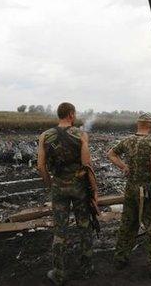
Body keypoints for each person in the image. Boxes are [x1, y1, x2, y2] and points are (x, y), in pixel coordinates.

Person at [37, 102, 98, 285]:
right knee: (84, 226)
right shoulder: (81, 135)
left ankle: (59, 272)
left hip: (58, 187)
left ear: (59, 115)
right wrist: (94, 191)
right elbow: (87, 166)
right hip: (79, 188)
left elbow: (40, 166)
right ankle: (87, 268)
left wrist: (50, 185)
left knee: (60, 230)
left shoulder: (45, 136)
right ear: (71, 114)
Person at [107, 113, 151, 279]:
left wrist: (124, 166)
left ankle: (120, 258)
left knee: (128, 223)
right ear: (149, 125)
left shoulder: (128, 140)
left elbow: (111, 154)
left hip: (131, 190)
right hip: (146, 192)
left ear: (138, 124)